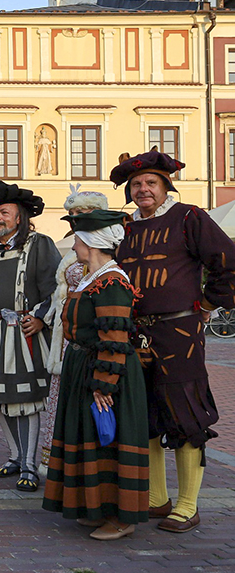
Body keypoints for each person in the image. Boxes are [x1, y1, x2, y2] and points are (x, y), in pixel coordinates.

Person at [110, 149, 235, 533]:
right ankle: (156, 498)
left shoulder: (190, 217)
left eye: (151, 183)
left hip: (179, 332)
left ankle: (187, 504)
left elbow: (227, 263)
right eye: (136, 185)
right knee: (145, 413)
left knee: (185, 414)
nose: (143, 189)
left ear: (166, 187)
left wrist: (208, 304)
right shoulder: (124, 228)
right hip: (136, 333)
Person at [42, 209, 149, 541]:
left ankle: (121, 517)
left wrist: (105, 384)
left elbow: (115, 336)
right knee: (87, 438)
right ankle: (95, 507)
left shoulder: (113, 281)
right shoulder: (93, 276)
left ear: (91, 242)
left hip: (104, 370)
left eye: (76, 239)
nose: (73, 245)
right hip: (83, 366)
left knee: (108, 441)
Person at [0, 180, 60, 492]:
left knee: (25, 401)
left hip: (23, 334)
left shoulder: (40, 244)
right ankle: (16, 457)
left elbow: (57, 287)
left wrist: (41, 318)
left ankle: (31, 465)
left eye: (4, 212)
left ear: (20, 217)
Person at [40, 185, 108, 467]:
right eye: (73, 213)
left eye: (82, 212)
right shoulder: (73, 247)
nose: (76, 217)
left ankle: (85, 466)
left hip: (91, 333)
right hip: (65, 336)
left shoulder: (105, 247)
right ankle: (62, 465)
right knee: (62, 400)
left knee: (87, 398)